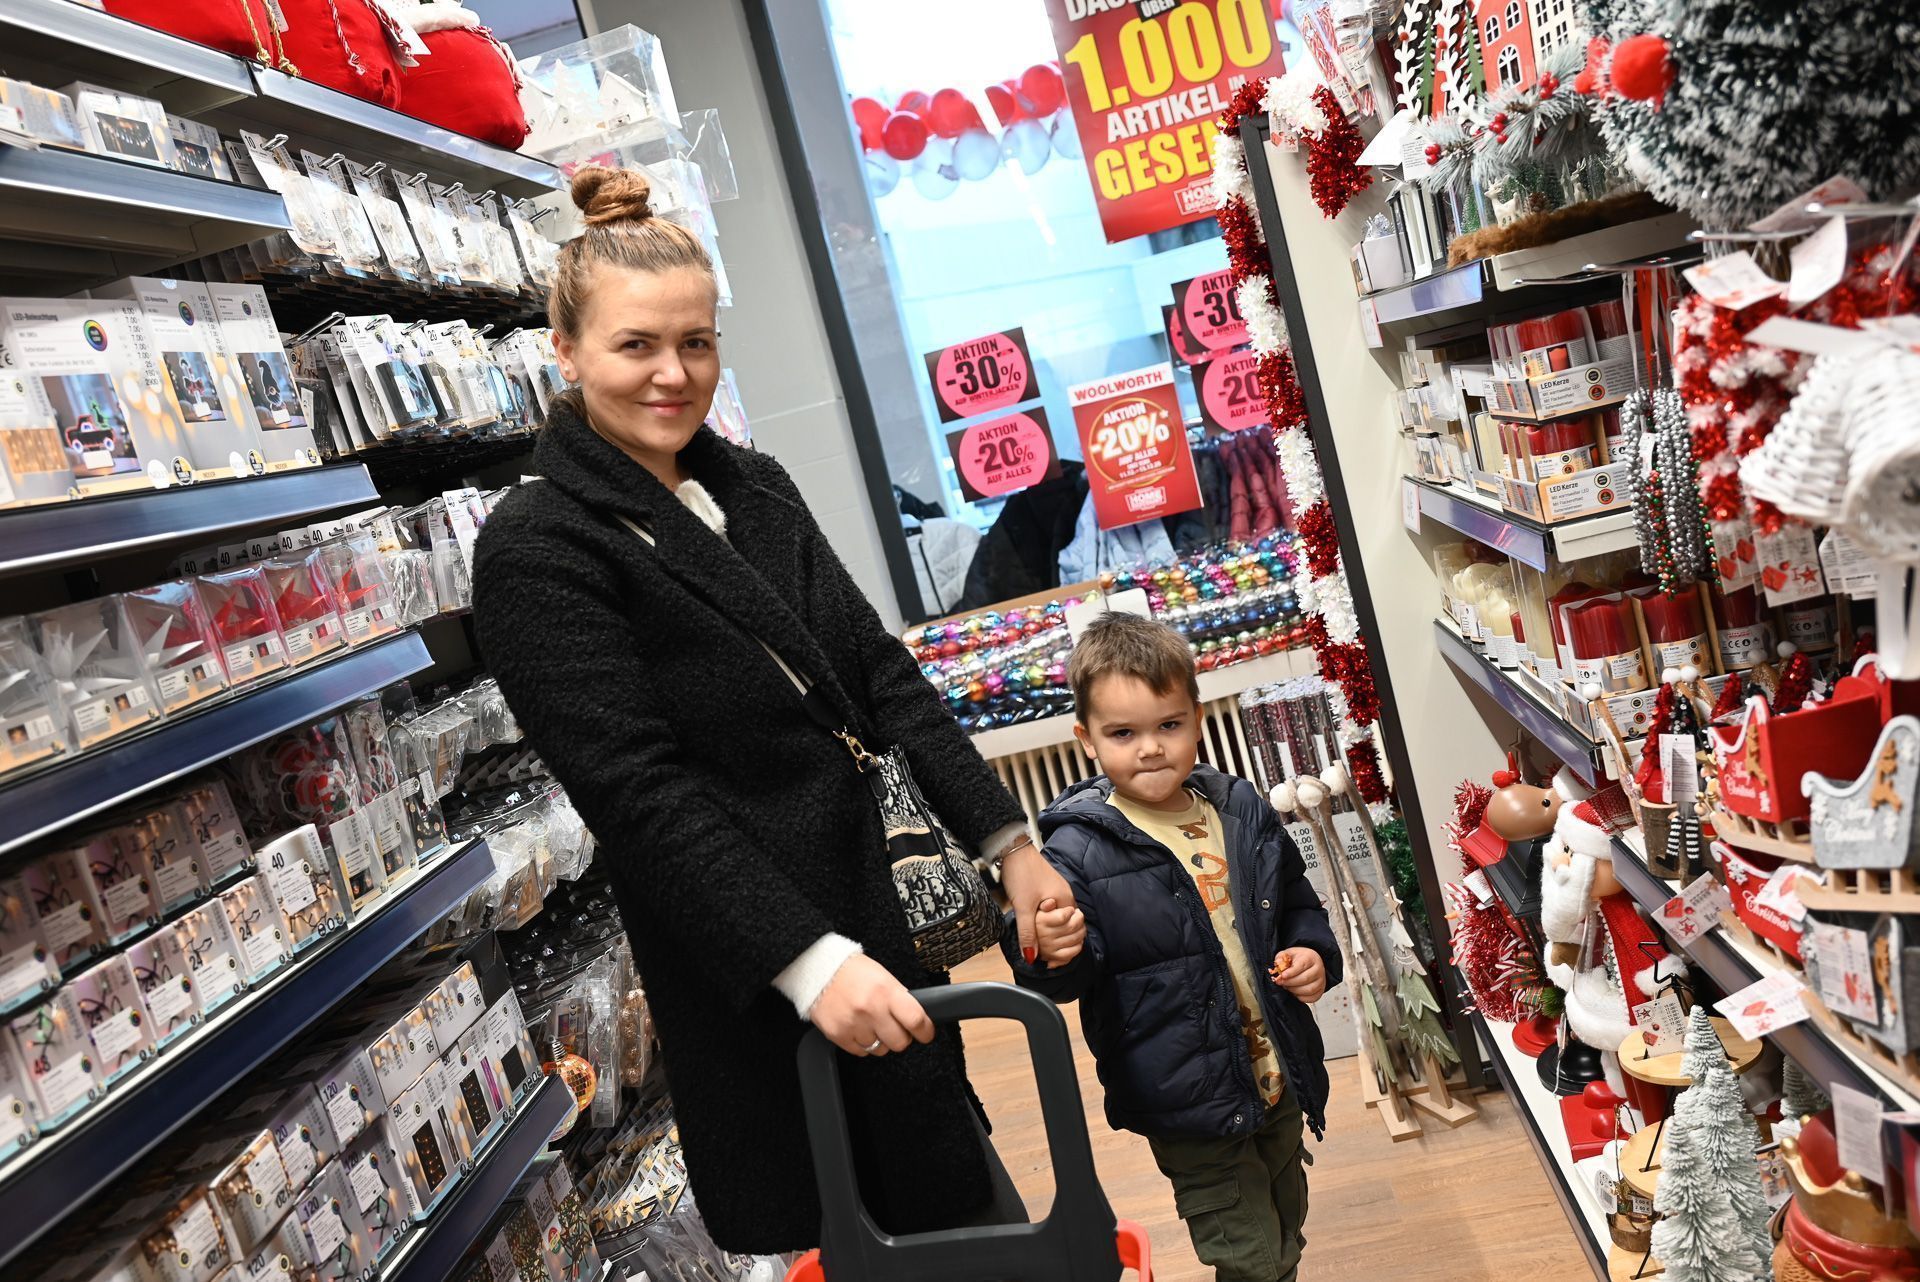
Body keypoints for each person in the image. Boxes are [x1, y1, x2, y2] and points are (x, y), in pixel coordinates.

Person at [469, 167, 1077, 1254]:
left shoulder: (753, 484)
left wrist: (1006, 840)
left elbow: (876, 673)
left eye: (696, 343)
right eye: (636, 345)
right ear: (565, 352)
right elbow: (637, 795)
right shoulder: (539, 545)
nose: (673, 374)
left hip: (875, 904)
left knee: (950, 1202)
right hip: (762, 963)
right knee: (866, 1219)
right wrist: (808, 960)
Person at [1005, 613, 1340, 1282]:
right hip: (1184, 1095)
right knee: (1249, 1255)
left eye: (1169, 725)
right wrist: (1052, 947)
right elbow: (1060, 976)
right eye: (1123, 734)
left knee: (1285, 1226)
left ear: (1197, 717)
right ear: (1086, 739)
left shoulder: (1239, 809)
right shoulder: (1076, 851)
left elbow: (1296, 903)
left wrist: (1312, 953)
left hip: (1276, 1072)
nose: (1151, 748)